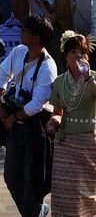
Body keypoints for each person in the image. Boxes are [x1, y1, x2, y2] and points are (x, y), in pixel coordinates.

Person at [0, 14, 57, 217]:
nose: (20, 33)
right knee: (12, 177)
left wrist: (13, 117)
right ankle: (37, 212)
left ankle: (34, 212)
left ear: (37, 38)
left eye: (25, 31)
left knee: (33, 180)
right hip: (15, 124)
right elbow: (3, 73)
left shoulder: (48, 67)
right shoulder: (19, 51)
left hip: (35, 126)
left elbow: (37, 103)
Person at [46, 31, 96, 217]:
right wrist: (52, 122)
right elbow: (58, 112)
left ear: (88, 57)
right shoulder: (59, 82)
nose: (78, 56)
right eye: (73, 51)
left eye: (82, 52)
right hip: (66, 143)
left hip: (89, 143)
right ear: (65, 56)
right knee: (66, 194)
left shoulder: (94, 79)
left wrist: (88, 78)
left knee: (86, 196)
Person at [36, 0, 76, 66]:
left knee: (58, 61)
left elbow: (52, 19)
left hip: (60, 34)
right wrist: (46, 6)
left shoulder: (62, 1)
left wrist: (43, 7)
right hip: (60, 34)